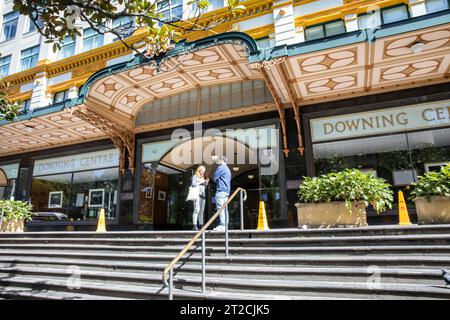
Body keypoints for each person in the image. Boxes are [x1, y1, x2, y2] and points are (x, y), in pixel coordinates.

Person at [211, 155, 231, 231]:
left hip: (221, 190)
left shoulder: (221, 167)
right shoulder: (227, 169)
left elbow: (214, 178)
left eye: (219, 160)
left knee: (220, 208)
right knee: (225, 209)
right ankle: (225, 225)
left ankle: (222, 225)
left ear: (222, 160)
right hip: (226, 191)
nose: (218, 161)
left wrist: (216, 180)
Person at [191, 165, 208, 231]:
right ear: (199, 170)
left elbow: (203, 188)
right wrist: (201, 182)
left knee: (201, 211)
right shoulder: (195, 176)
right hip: (197, 195)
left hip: (203, 196)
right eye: (202, 171)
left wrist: (206, 183)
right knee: (196, 210)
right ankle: (194, 225)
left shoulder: (203, 177)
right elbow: (193, 184)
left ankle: (201, 225)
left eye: (204, 171)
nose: (203, 172)